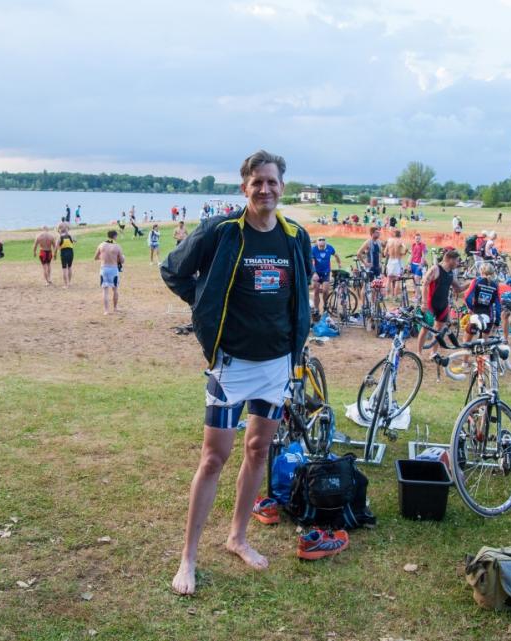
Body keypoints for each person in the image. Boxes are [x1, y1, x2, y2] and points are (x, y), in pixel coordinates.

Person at [160, 150, 312, 596]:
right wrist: (204, 301)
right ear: (244, 187)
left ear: (282, 186)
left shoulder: (294, 236)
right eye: (256, 182)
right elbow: (173, 270)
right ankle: (188, 558)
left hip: (277, 365)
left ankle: (237, 538)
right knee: (214, 458)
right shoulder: (222, 231)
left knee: (259, 450)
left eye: (272, 181)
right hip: (232, 365)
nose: (265, 189)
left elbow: (299, 292)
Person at [416, 249, 467, 358]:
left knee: (439, 329)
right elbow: (424, 284)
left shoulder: (451, 273)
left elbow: (458, 289)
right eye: (457, 261)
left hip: (443, 305)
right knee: (426, 328)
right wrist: (424, 302)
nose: (458, 263)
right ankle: (419, 352)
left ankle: (433, 353)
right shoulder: (436, 269)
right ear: (450, 260)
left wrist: (471, 283)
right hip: (430, 304)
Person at [463, 262, 501, 343]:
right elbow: (498, 305)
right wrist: (497, 321)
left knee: (466, 342)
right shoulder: (495, 285)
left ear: (481, 271)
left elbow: (467, 297)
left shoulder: (476, 281)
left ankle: (467, 352)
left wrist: (471, 308)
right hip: (488, 316)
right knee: (484, 344)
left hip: (476, 314)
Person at [94, 230, 125, 314]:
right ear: (115, 236)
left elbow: (95, 257)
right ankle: (115, 308)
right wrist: (122, 258)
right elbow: (122, 260)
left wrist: (104, 258)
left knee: (105, 291)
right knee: (115, 289)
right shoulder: (117, 246)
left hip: (104, 268)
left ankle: (106, 310)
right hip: (113, 269)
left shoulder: (101, 245)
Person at [311, 236, 341, 318]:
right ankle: (316, 309)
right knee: (316, 291)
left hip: (326, 273)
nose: (321, 243)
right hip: (316, 273)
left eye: (323, 241)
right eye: (319, 241)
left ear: (325, 243)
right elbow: (311, 262)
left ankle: (325, 307)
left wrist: (339, 263)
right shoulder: (313, 249)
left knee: (325, 290)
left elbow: (336, 255)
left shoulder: (330, 248)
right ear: (317, 243)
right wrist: (314, 273)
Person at [384, 229, 407, 297]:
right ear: (399, 235)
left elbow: (385, 253)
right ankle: (395, 296)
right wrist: (403, 253)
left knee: (389, 279)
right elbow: (405, 248)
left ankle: (387, 296)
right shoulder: (400, 241)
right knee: (398, 279)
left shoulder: (389, 241)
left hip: (390, 260)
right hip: (397, 260)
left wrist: (390, 253)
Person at [409, 233, 428, 301]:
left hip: (419, 265)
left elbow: (423, 255)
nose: (417, 240)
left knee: (417, 279)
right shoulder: (413, 245)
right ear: (414, 239)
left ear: (420, 239)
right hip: (413, 264)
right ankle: (417, 295)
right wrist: (409, 264)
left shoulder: (422, 245)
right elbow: (411, 255)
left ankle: (417, 296)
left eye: (419, 239)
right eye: (416, 238)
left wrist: (421, 264)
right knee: (414, 280)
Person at [57, 222, 75, 287]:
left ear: (60, 230)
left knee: (64, 269)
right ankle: (69, 282)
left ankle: (66, 284)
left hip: (63, 253)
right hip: (70, 252)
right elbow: (75, 240)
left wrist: (55, 254)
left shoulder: (60, 237)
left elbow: (57, 246)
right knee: (69, 267)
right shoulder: (70, 236)